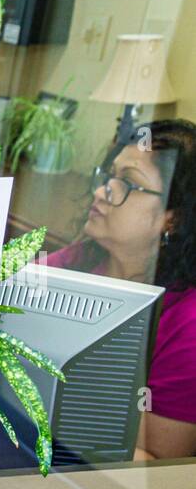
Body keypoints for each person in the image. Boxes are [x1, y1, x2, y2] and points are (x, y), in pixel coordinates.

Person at [44, 120, 196, 459]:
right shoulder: (82, 259)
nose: (101, 191)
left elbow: (156, 469)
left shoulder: (188, 323)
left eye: (127, 183)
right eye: (108, 176)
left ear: (174, 217)